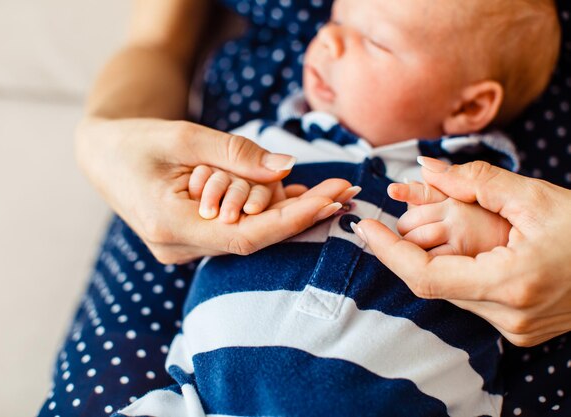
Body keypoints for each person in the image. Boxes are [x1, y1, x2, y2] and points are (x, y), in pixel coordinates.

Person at [37, 0, 571, 416]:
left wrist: (476, 231)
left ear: (469, 106)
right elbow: (156, 45)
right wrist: (229, 191)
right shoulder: (262, 143)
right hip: (202, 395)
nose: (327, 41)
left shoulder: (495, 185)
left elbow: (509, 255)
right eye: (336, 20)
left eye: (373, 41)